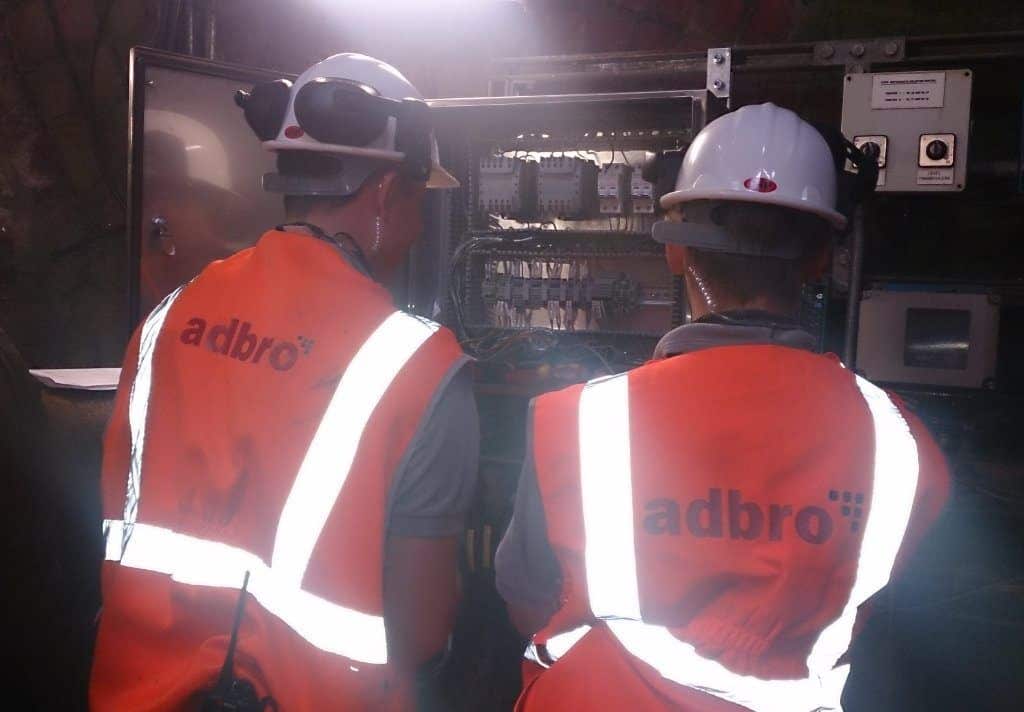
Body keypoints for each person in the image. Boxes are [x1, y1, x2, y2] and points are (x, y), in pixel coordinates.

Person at [494, 103, 950, 711]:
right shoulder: (904, 446)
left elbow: (526, 598)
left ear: (676, 252)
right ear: (819, 260)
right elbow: (868, 616)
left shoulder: (573, 424)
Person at [91, 53, 478, 711]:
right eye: (419, 202)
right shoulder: (423, 368)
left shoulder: (167, 316)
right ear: (385, 193)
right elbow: (420, 633)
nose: (416, 233)